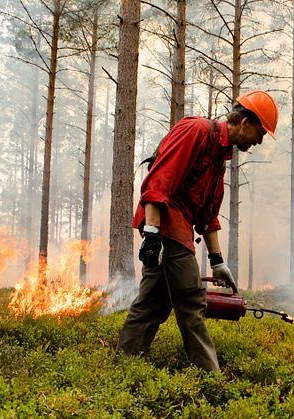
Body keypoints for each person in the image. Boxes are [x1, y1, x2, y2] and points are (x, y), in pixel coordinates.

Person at [115, 90, 278, 371]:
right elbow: (158, 183)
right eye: (260, 133)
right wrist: (152, 234)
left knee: (153, 303)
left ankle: (123, 367)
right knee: (191, 301)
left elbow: (207, 217)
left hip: (176, 228)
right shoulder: (197, 130)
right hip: (166, 224)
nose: (259, 141)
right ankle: (210, 377)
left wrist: (218, 263)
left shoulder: (219, 157)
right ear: (245, 123)